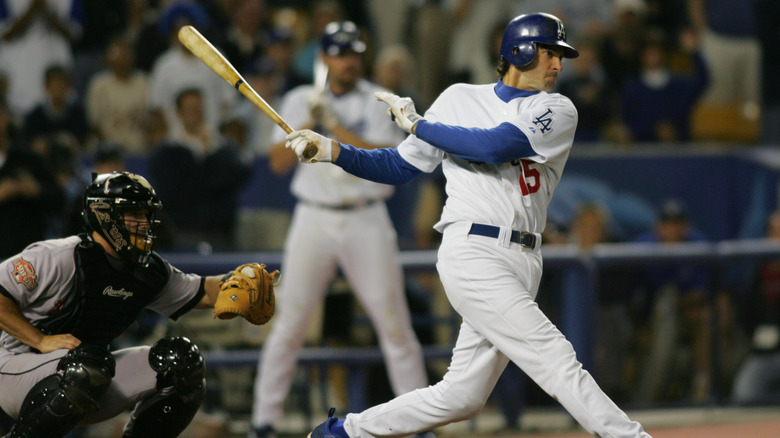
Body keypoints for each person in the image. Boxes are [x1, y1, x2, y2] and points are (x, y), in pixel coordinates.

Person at [285, 12, 652, 438]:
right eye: (550, 54)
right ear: (521, 51)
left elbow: (498, 146)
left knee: (462, 397)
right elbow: (399, 165)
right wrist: (333, 150)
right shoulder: (458, 97)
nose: (558, 65)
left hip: (525, 257)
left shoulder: (557, 108)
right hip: (474, 250)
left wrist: (422, 125)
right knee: (555, 358)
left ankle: (343, 433)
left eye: (560, 56)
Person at [249, 21, 428, 438]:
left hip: (366, 217)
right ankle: (263, 423)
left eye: (355, 54)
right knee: (290, 324)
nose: (350, 62)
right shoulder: (300, 98)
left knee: (395, 325)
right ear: (324, 58)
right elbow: (276, 163)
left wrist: (329, 125)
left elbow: (383, 158)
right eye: (341, 54)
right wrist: (304, 122)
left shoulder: (377, 100)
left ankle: (422, 426)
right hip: (313, 217)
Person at [0, 171, 274, 438]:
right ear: (104, 215)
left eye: (146, 214)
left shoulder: (146, 270)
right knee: (86, 367)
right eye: (133, 214)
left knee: (182, 362)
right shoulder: (60, 256)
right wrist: (39, 340)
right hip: (14, 367)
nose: (144, 223)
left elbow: (201, 291)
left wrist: (239, 281)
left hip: (86, 375)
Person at [731, 210, 780, 405]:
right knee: (744, 394)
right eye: (775, 233)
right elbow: (744, 319)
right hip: (764, 356)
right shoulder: (757, 275)